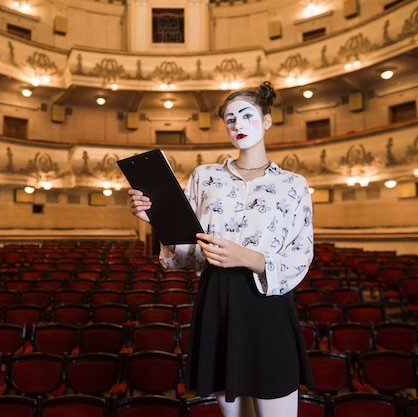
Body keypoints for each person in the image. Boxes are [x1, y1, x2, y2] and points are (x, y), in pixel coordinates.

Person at [128, 81, 314, 417]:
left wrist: (248, 257)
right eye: (230, 119)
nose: (237, 125)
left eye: (246, 115)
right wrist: (155, 218)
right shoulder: (205, 176)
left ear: (267, 120)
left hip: (267, 305)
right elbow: (185, 254)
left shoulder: (293, 185)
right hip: (216, 299)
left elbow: (300, 255)